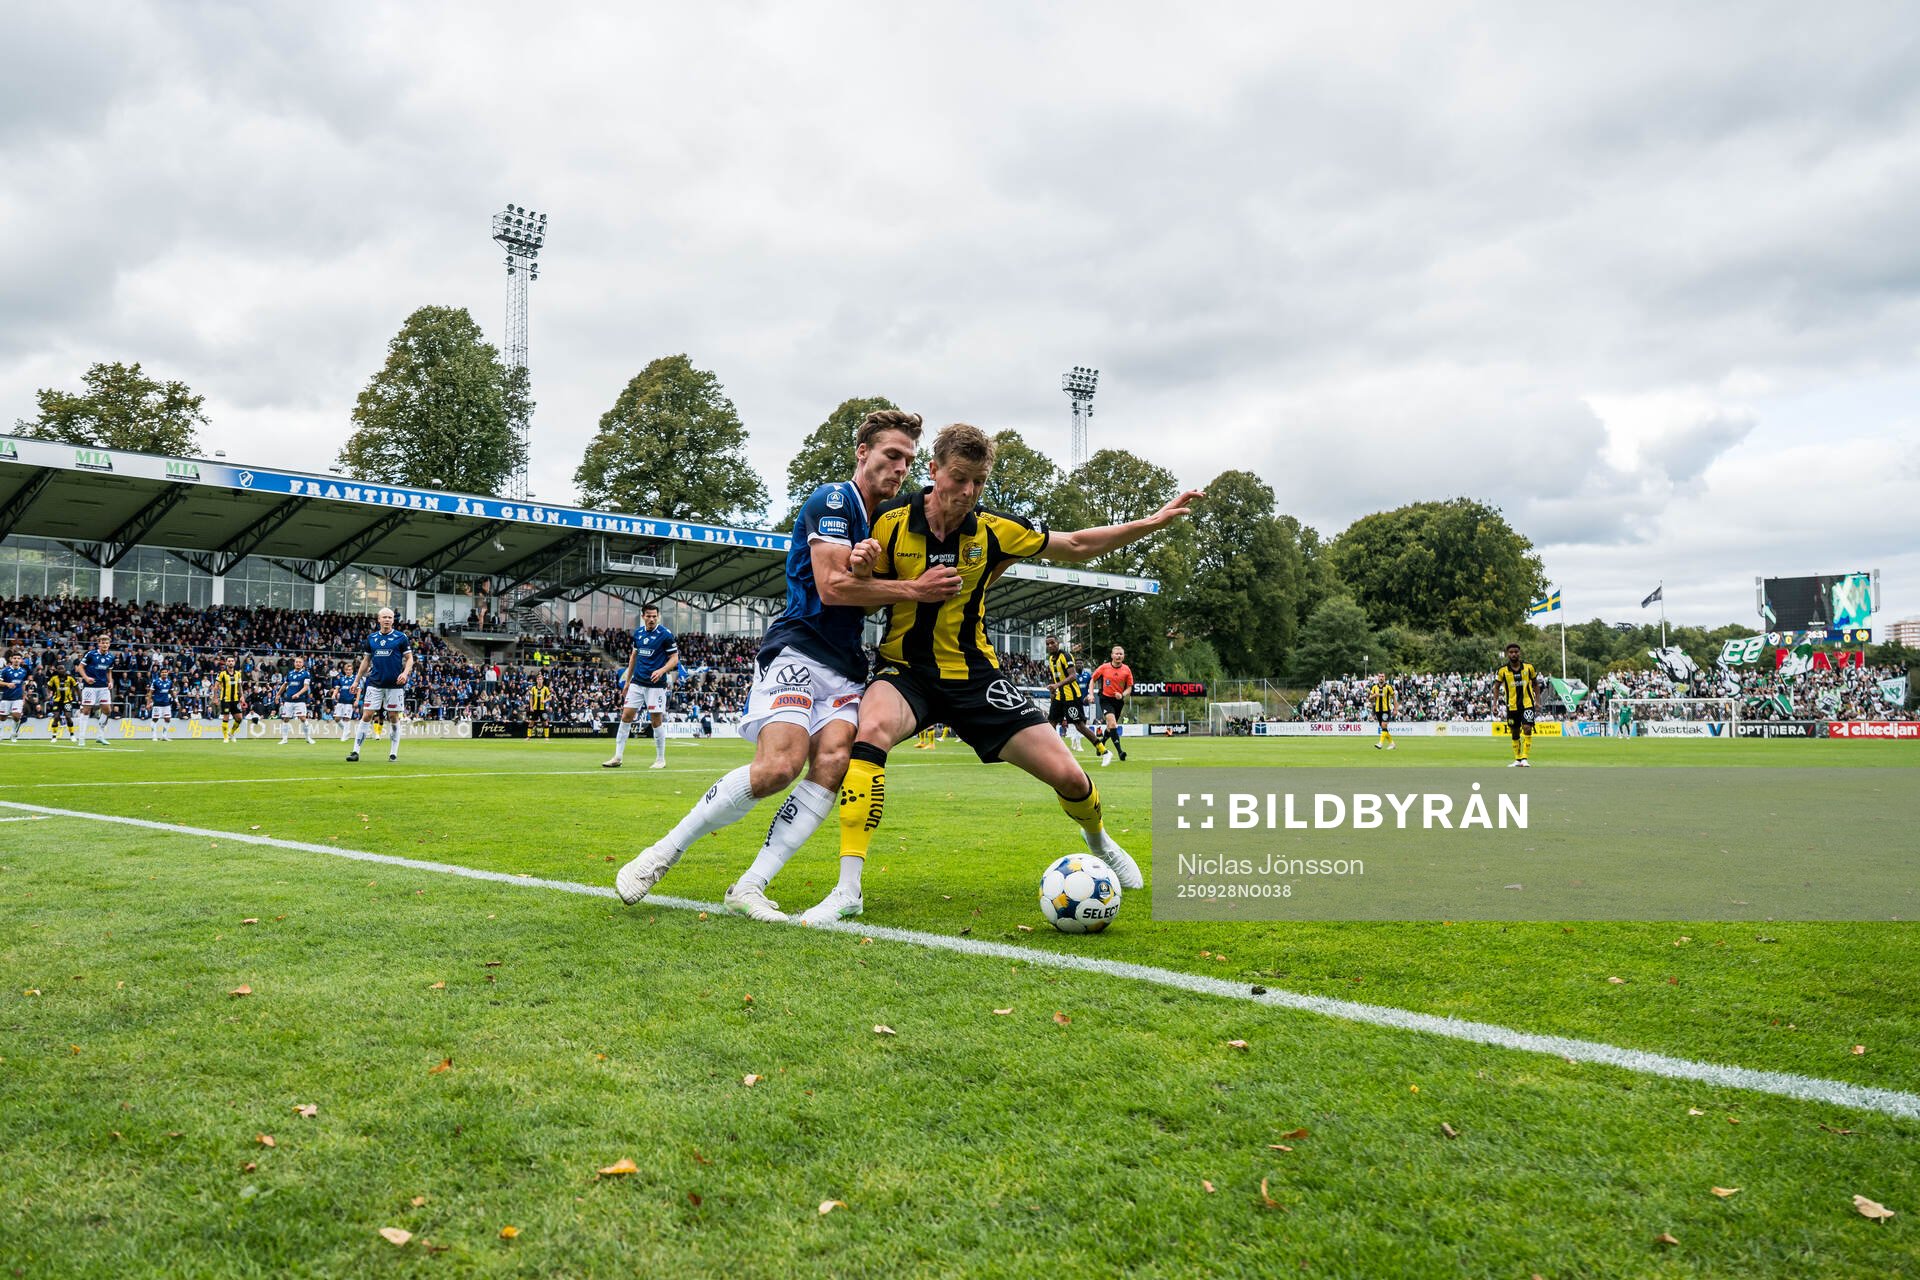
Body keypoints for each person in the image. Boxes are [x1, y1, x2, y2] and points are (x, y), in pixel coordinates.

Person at [797, 422, 1202, 926]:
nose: (969, 491)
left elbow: (1076, 544)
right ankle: (848, 889)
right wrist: (862, 567)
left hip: (977, 677)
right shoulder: (887, 521)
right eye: (960, 478)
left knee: (1069, 776)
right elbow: (858, 591)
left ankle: (1100, 841)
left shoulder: (995, 529)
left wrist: (1152, 522)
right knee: (871, 731)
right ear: (934, 470)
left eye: (979, 481)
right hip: (905, 672)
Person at [616, 409, 943, 920]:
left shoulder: (883, 522)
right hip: (799, 649)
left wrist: (873, 572)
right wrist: (913, 589)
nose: (901, 468)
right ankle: (662, 853)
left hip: (846, 665)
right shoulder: (833, 499)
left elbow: (864, 588)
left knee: (833, 763)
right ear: (863, 453)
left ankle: (750, 885)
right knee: (779, 767)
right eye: (892, 455)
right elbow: (832, 588)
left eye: (908, 459)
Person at [603, 604, 678, 769]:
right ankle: (617, 757)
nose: (652, 619)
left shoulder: (665, 634)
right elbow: (633, 657)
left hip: (656, 685)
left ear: (658, 616)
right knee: (625, 716)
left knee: (656, 720)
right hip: (637, 682)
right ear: (643, 616)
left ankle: (660, 759)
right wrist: (627, 682)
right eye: (648, 616)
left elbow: (674, 658)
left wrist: (662, 670)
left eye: (654, 616)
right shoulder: (638, 633)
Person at [348, 607, 413, 763]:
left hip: (394, 685)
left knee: (393, 716)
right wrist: (356, 681)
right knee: (367, 715)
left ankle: (393, 753)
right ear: (378, 620)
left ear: (393, 620)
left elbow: (410, 659)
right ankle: (355, 751)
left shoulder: (401, 637)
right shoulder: (371, 638)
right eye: (384, 617)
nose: (387, 620)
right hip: (375, 683)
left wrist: (405, 673)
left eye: (390, 617)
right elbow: (366, 661)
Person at [1045, 635, 1109, 763]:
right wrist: (1053, 691)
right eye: (1048, 644)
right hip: (1059, 696)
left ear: (1058, 643)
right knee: (1051, 723)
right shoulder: (1051, 659)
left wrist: (1057, 685)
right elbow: (1055, 677)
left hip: (1071, 696)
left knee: (1080, 726)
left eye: (1052, 643)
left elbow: (1073, 676)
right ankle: (1050, 753)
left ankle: (1103, 750)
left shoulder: (1066, 656)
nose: (1050, 646)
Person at [1495, 643, 1541, 767]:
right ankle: (1517, 759)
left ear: (1519, 653)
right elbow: (1496, 686)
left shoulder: (1529, 667)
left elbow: (1535, 684)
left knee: (1527, 728)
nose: (1514, 654)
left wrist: (1537, 701)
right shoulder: (1502, 670)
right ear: (1507, 654)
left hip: (1527, 704)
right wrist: (1494, 704)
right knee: (1515, 732)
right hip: (1512, 706)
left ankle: (1524, 758)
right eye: (1511, 652)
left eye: (1516, 652)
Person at [1090, 645, 1134, 762]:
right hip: (1105, 699)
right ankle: (1120, 752)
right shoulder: (1104, 667)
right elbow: (1092, 680)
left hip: (1118, 701)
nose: (1118, 656)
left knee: (1110, 727)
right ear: (1112, 655)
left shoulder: (1126, 670)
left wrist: (1122, 695)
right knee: (1113, 724)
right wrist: (1091, 694)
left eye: (1121, 654)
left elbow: (1129, 688)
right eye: (1116, 654)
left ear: (1123, 656)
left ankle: (1102, 743)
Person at [73, 634, 117, 747]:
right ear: (99, 644)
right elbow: (80, 668)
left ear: (109, 644)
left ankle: (100, 736)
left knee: (107, 710)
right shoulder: (91, 654)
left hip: (103, 687)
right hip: (90, 687)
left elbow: (109, 671)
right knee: (86, 711)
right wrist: (86, 678)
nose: (105, 645)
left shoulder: (111, 657)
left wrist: (110, 681)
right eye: (102, 642)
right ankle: (81, 738)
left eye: (107, 643)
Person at [278, 656, 316, 745]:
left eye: (300, 662)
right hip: (288, 700)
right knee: (285, 719)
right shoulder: (290, 673)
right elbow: (285, 685)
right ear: (294, 663)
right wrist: (278, 694)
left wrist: (298, 694)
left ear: (302, 664)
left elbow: (306, 687)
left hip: (300, 700)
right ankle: (284, 739)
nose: (298, 663)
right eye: (296, 662)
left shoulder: (306, 674)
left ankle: (308, 738)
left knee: (303, 718)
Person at [215, 657, 246, 744]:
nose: (231, 662)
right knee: (226, 717)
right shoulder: (222, 674)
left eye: (232, 661)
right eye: (229, 661)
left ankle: (231, 733)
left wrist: (242, 696)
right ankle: (225, 737)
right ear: (226, 663)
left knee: (239, 718)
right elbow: (216, 686)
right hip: (225, 699)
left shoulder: (238, 674)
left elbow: (239, 686)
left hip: (235, 699)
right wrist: (215, 697)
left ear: (234, 663)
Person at [46, 662, 78, 744]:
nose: (61, 670)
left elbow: (77, 688)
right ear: (57, 670)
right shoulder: (54, 678)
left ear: (65, 669)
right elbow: (48, 687)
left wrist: (80, 699)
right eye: (59, 669)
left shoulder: (70, 678)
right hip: (57, 701)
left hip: (67, 701)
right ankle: (54, 736)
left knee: (68, 717)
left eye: (62, 669)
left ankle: (72, 735)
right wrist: (49, 694)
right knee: (56, 717)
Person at [0, 650, 27, 743]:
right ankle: (1, 734)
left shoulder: (23, 671)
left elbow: (23, 684)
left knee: (16, 716)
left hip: (18, 698)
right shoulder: (5, 671)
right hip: (6, 698)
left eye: (18, 658)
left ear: (21, 660)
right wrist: (7, 684)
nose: (16, 660)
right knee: (2, 717)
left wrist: (24, 697)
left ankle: (13, 733)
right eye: (14, 658)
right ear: (11, 659)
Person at [147, 665, 177, 741]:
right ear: (160, 673)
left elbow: (172, 692)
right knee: (155, 719)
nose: (164, 673)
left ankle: (164, 736)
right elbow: (150, 693)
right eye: (162, 672)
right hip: (157, 704)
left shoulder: (169, 682)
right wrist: (148, 703)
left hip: (166, 704)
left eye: (165, 672)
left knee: (168, 719)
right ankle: (154, 736)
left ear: (167, 673)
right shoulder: (155, 682)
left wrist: (176, 701)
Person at [1367, 674, 1396, 750]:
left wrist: (1395, 709)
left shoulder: (1389, 687)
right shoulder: (1374, 687)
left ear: (1384, 677)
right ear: (1378, 678)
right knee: (1384, 727)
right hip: (1377, 710)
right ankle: (1392, 743)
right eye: (1380, 676)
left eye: (1382, 676)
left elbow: (1394, 698)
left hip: (1386, 709)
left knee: (1384, 725)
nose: (1381, 678)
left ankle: (1380, 743)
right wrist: (1374, 695)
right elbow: (1370, 699)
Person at [330, 668, 358, 741]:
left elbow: (359, 690)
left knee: (346, 718)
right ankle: (346, 731)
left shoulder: (355, 679)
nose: (348, 671)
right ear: (345, 671)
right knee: (336, 718)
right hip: (341, 701)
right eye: (347, 670)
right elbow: (337, 689)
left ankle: (344, 736)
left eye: (350, 670)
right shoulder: (341, 679)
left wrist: (357, 700)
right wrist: (334, 694)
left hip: (349, 701)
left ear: (352, 671)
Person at [527, 671, 553, 739]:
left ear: (543, 680)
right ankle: (528, 736)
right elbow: (531, 698)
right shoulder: (533, 688)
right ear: (536, 680)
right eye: (538, 679)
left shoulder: (545, 688)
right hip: (535, 708)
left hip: (542, 709)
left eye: (541, 679)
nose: (539, 680)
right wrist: (531, 707)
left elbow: (550, 697)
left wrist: (545, 700)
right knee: (531, 722)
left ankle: (546, 737)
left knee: (545, 722)